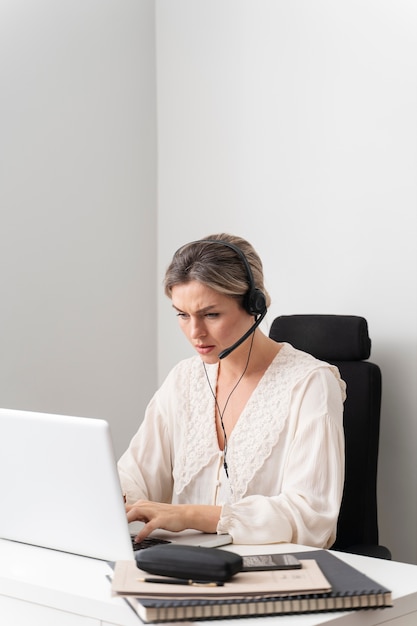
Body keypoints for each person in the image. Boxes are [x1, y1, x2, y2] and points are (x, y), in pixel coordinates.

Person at [118, 234, 346, 548]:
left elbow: (312, 516)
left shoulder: (310, 383)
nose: (195, 332)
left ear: (256, 305)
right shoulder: (184, 379)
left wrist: (192, 516)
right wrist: (111, 494)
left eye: (211, 315)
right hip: (177, 563)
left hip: (263, 570)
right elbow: (137, 476)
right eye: (183, 315)